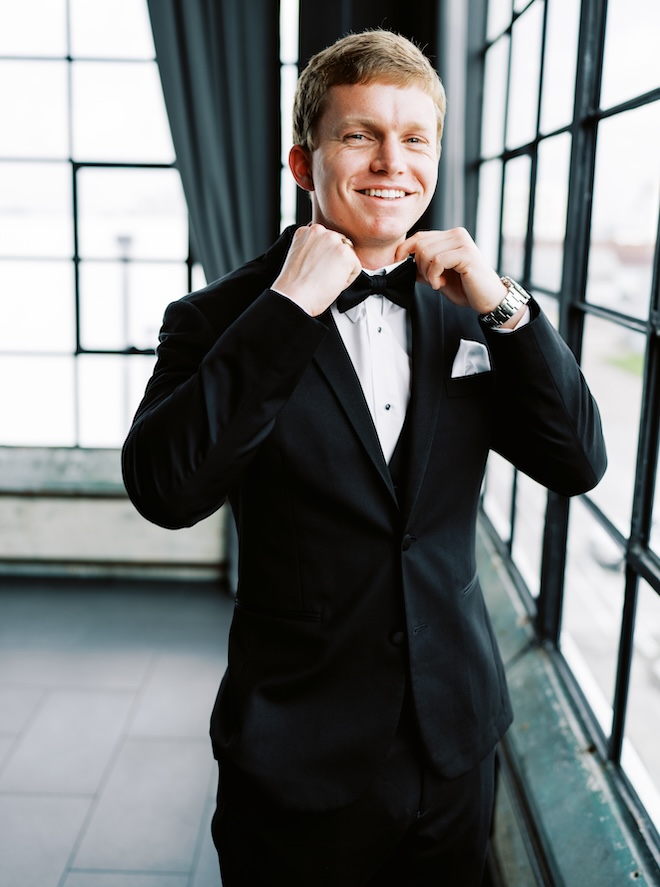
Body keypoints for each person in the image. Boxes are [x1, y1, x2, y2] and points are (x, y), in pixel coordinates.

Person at [122, 29, 606, 887]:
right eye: (359, 135)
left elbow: (578, 460)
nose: (392, 162)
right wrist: (285, 310)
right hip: (298, 754)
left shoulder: (472, 307)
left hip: (453, 745)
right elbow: (166, 488)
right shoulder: (214, 317)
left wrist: (504, 305)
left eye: (414, 138)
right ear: (304, 163)